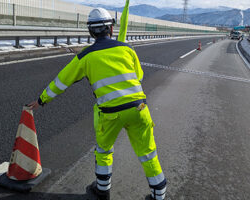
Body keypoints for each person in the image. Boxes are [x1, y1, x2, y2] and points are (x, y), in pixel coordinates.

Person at [28, 7, 166, 200]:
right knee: (148, 153)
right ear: (111, 29)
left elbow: (61, 81)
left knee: (103, 151)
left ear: (91, 32)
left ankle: (102, 190)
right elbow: (139, 76)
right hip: (139, 108)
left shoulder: (86, 56)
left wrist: (42, 100)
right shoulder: (127, 49)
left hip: (110, 114)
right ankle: (159, 194)